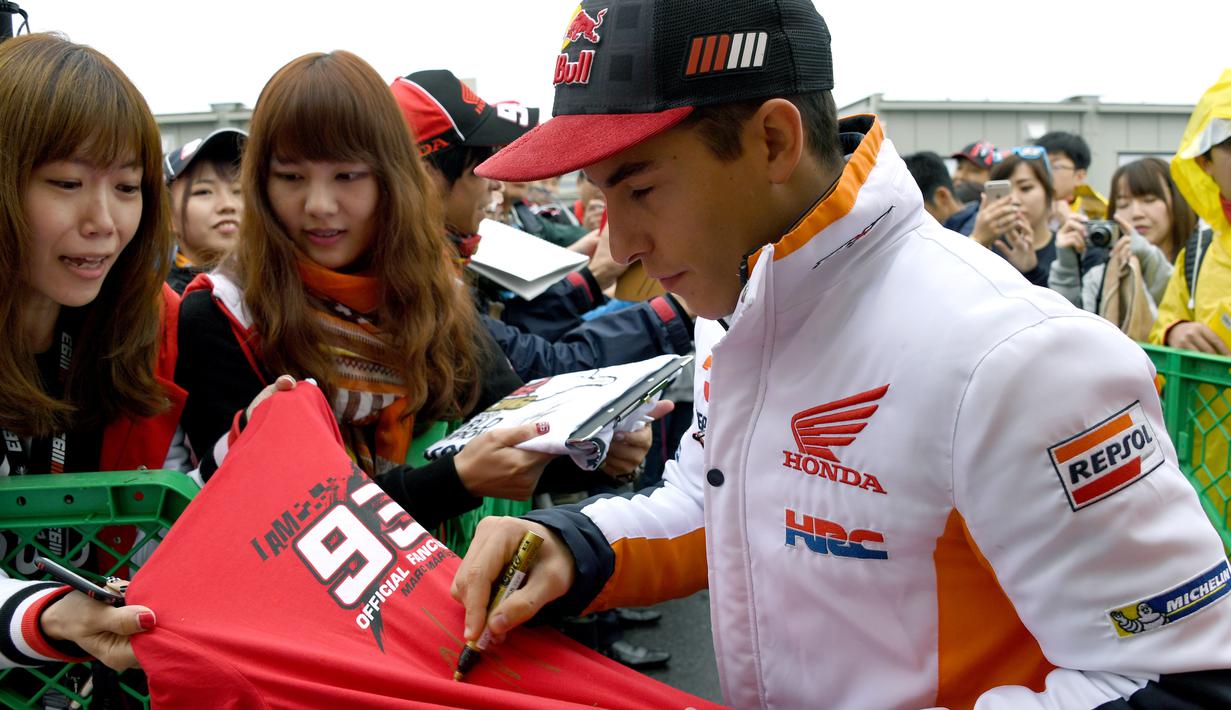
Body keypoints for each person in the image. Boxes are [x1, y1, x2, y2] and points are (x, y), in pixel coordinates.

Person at [452, 3, 1231, 708]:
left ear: (773, 141)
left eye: (640, 189)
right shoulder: (745, 292)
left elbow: (1183, 681)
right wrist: (574, 546)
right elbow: (722, 498)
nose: (617, 245)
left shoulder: (1012, 352)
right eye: (599, 195)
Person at [174, 51, 658, 537]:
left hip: (442, 595)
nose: (319, 205)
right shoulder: (224, 313)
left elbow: (503, 419)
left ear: (391, 180)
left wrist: (597, 452)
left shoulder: (431, 292)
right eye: (291, 177)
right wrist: (453, 482)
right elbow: (262, 517)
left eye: (347, 176)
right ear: (260, 183)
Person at [0, 33, 186, 678]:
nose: (104, 220)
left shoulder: (147, 325)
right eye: (67, 182)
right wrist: (40, 618)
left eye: (129, 187)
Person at [1150, 69, 1231, 355]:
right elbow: (1161, 328)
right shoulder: (1200, 250)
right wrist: (1175, 332)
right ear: (1204, 161)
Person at [1050, 158, 1188, 316]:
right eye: (1123, 205)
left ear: (1177, 201)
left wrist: (1148, 258)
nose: (1136, 213)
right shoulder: (1102, 276)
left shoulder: (1198, 262)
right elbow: (1072, 326)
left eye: (1149, 200)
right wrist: (1066, 269)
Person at [163, 128, 245, 293]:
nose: (228, 205)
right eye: (204, 191)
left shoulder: (280, 287)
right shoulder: (160, 304)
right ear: (168, 215)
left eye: (238, 191)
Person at [970, 149, 1057, 285]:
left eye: (1025, 188)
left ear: (1048, 193)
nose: (1014, 200)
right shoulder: (986, 248)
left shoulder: (1067, 249)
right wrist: (977, 241)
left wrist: (1031, 271)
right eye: (1004, 191)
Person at [1037, 130, 1108, 222]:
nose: (1044, 172)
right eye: (1041, 165)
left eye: (1055, 167)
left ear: (1079, 177)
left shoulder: (1100, 210)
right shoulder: (1023, 205)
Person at [904, 150, 978, 235]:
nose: (914, 220)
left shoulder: (979, 232)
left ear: (941, 196)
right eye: (959, 167)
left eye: (918, 210)